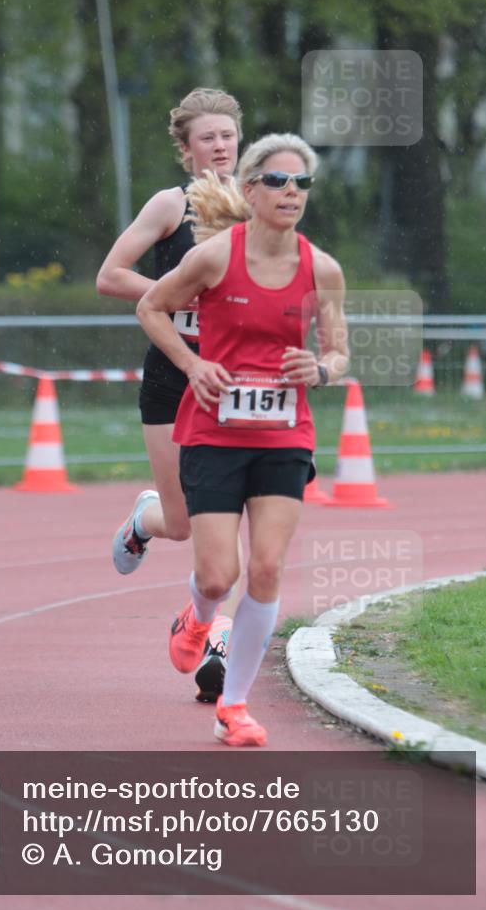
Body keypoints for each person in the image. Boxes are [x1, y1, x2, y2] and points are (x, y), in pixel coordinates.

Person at [136, 133, 349, 746]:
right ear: (250, 189)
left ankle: (234, 706)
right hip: (214, 431)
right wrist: (192, 364)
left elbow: (338, 351)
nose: (291, 192)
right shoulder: (212, 258)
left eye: (302, 182)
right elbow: (151, 307)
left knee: (267, 567)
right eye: (278, 181)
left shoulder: (322, 269)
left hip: (284, 435)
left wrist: (322, 370)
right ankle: (199, 616)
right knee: (216, 577)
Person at [96, 89, 244, 701]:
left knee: (228, 520)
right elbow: (110, 276)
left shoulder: (258, 205)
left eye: (228, 135)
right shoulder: (170, 204)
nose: (220, 146)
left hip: (234, 380)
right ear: (187, 149)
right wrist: (176, 291)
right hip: (171, 376)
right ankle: (144, 518)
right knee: (182, 524)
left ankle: (214, 638)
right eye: (208, 137)